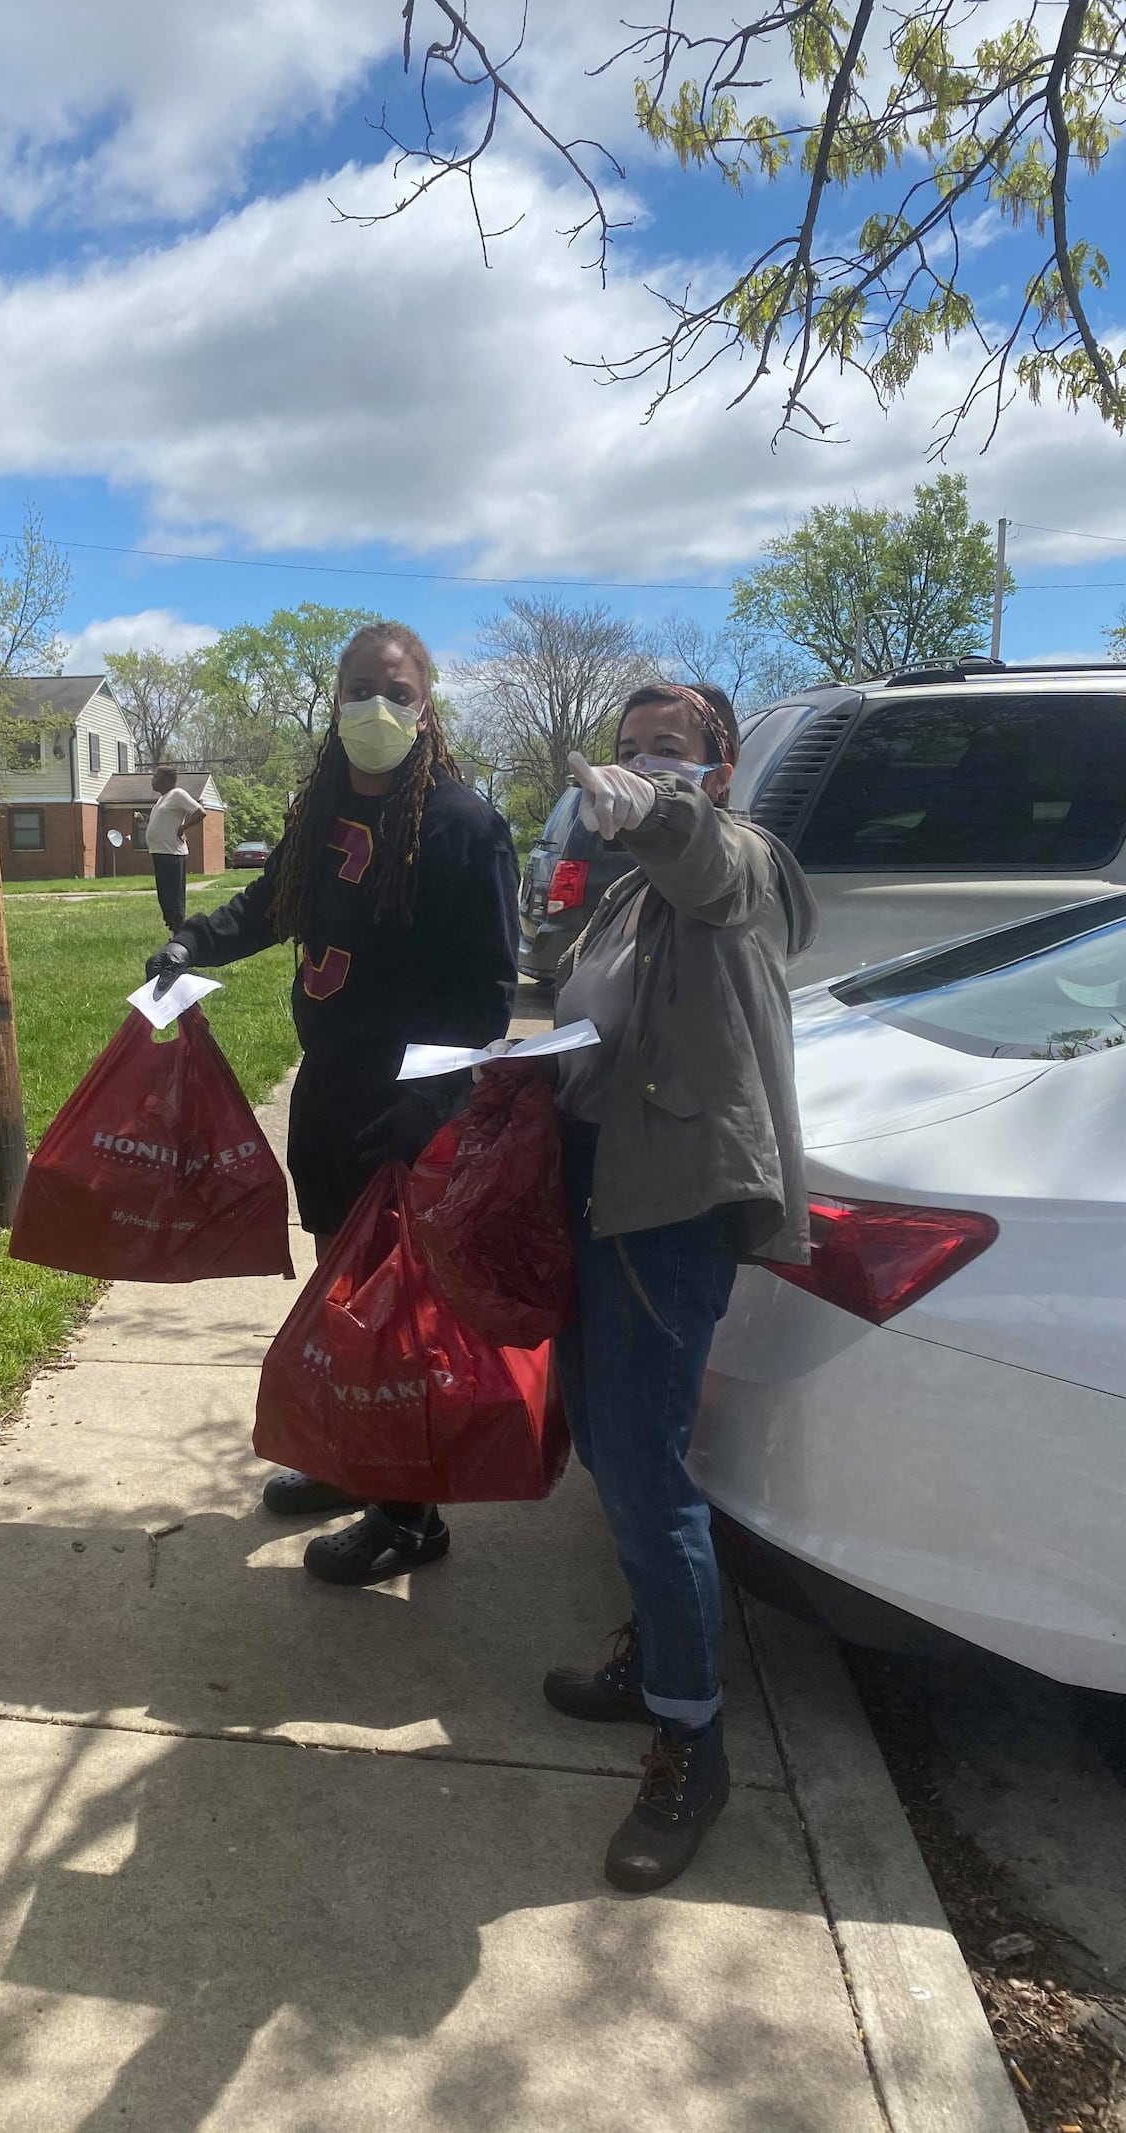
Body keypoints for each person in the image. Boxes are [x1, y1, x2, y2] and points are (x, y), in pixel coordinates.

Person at [145, 621, 520, 1585]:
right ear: (336, 698)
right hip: (330, 1087)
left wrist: (431, 1101)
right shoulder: (321, 814)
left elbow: (484, 995)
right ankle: (355, 1457)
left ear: (427, 704)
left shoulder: (462, 826)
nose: (377, 709)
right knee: (340, 1285)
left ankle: (411, 1515)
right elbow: (269, 905)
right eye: (361, 689)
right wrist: (193, 942)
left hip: (404, 1106)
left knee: (396, 1309)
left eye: (397, 691)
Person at [534, 681, 817, 1894]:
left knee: (651, 1470)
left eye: (674, 748)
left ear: (721, 762)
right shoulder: (626, 895)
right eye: (632, 749)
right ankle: (652, 1654)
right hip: (603, 1184)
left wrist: (654, 807)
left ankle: (692, 1743)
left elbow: (710, 867)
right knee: (604, 1439)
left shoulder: (740, 858)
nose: (647, 764)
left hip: (672, 1199)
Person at [145, 766, 205, 933]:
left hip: (172, 854)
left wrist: (183, 828)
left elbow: (200, 812)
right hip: (159, 852)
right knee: (164, 898)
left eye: (156, 777)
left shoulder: (178, 794)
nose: (153, 780)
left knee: (174, 898)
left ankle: (180, 933)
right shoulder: (163, 798)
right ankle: (173, 930)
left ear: (169, 780)